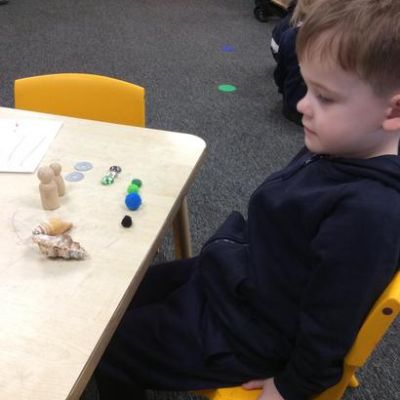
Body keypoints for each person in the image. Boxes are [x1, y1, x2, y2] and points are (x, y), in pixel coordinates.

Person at [94, 0, 400, 399]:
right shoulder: (344, 146)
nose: (302, 105)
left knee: (105, 346)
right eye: (307, 88)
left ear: (393, 111)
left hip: (247, 331)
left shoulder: (369, 213)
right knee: (116, 296)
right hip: (243, 278)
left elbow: (332, 322)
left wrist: (291, 386)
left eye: (324, 97)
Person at [271, 0, 315, 125]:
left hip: (291, 105)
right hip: (316, 111)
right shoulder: (336, 42)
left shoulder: (290, 35)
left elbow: (279, 76)